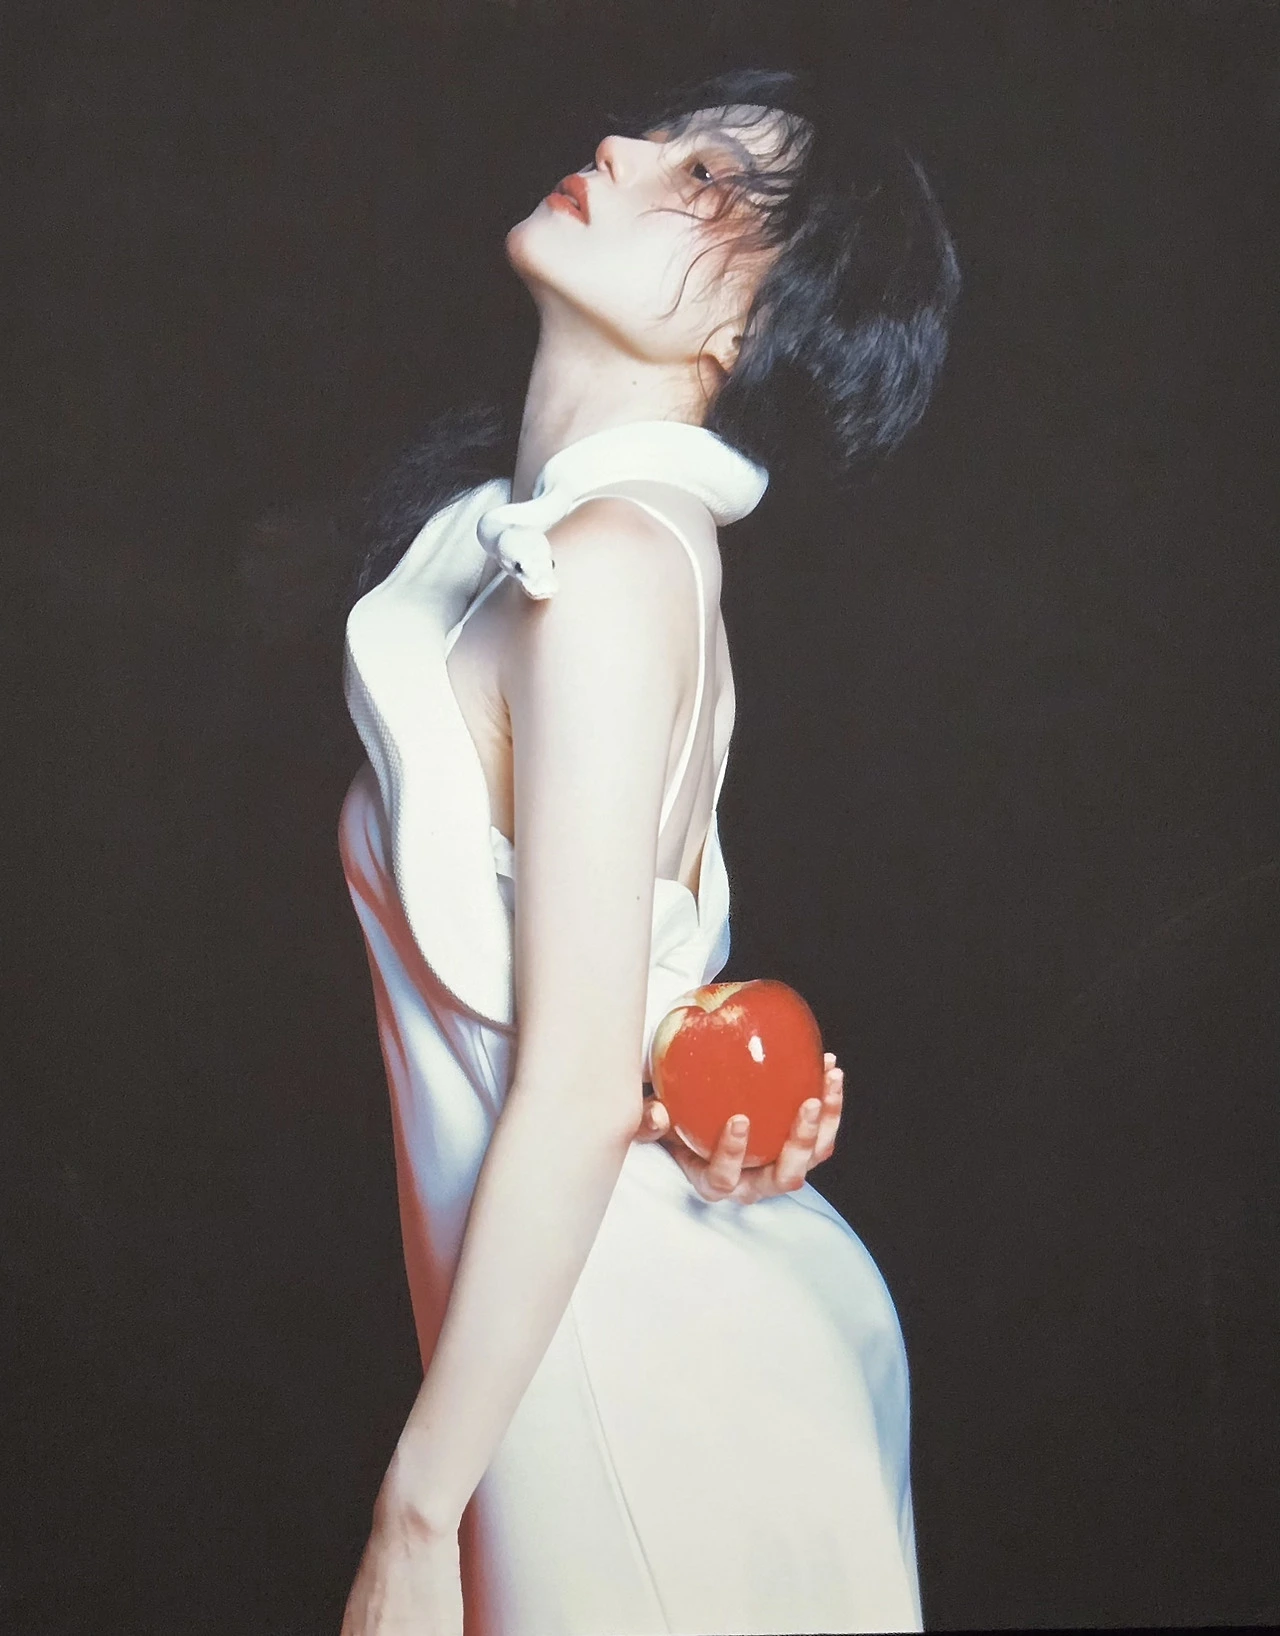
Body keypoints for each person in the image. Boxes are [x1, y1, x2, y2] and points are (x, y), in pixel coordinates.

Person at [337, 68, 959, 1636]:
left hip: (618, 1372)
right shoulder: (591, 546)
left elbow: (571, 1090)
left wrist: (416, 1516)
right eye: (670, 142)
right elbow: (617, 997)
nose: (618, 149)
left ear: (749, 333)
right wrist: (720, 1070)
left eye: (709, 184)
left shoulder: (610, 566)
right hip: (583, 1341)